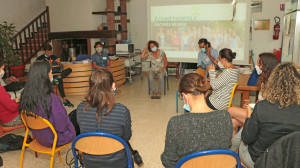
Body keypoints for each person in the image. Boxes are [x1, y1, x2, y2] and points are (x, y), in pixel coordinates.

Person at [230, 63, 300, 168]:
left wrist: (249, 117)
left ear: (274, 83)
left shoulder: (262, 107)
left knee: (243, 137)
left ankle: (228, 156)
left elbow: (247, 139)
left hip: (260, 161)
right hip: (290, 162)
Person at [161, 73, 233, 168]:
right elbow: (226, 146)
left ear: (184, 96)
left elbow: (169, 162)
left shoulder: (176, 123)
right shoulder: (225, 116)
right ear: (206, 93)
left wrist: (169, 143)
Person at [76, 69, 135, 168]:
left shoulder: (81, 108)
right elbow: (126, 137)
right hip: (117, 163)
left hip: (90, 162)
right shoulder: (122, 111)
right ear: (113, 86)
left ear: (90, 86)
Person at [19, 61, 76, 147]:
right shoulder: (51, 98)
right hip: (56, 138)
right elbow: (62, 126)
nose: (52, 75)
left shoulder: (25, 95)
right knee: (77, 116)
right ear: (45, 76)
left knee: (72, 116)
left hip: (39, 137)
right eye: (50, 72)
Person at [228, 53, 279, 129]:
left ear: (266, 66)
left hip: (263, 117)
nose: (256, 66)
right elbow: (260, 100)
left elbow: (268, 106)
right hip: (258, 112)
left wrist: (253, 109)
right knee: (233, 122)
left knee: (230, 110)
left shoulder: (274, 85)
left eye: (259, 63)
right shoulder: (264, 80)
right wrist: (251, 106)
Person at [0, 57, 23, 127]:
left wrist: (14, 101)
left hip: (4, 117)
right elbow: (13, 108)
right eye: (2, 69)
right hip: (10, 119)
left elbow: (4, 103)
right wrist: (24, 103)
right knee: (36, 116)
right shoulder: (0, 89)